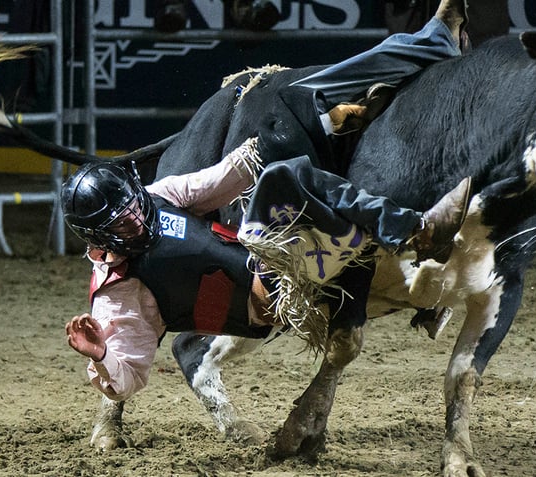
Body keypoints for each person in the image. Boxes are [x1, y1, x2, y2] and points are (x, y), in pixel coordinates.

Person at [66, 0, 471, 402]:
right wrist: (100, 354)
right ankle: (414, 230)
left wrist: (311, 121)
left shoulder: (156, 199)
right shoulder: (118, 294)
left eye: (132, 206)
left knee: (299, 103)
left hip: (267, 252)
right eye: (122, 222)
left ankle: (433, 41)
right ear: (102, 238)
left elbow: (225, 176)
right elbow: (126, 380)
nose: (136, 218)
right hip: (269, 300)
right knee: (286, 176)